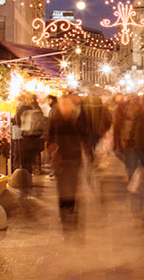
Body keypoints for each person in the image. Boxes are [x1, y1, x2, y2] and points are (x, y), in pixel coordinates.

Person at [45, 91, 87, 227]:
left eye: (67, 104)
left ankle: (71, 205)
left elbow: (85, 132)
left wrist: (87, 148)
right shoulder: (55, 116)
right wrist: (50, 144)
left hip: (74, 152)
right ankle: (63, 205)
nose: (65, 106)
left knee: (73, 180)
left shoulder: (78, 115)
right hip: (61, 153)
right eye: (63, 104)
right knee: (62, 181)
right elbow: (50, 132)